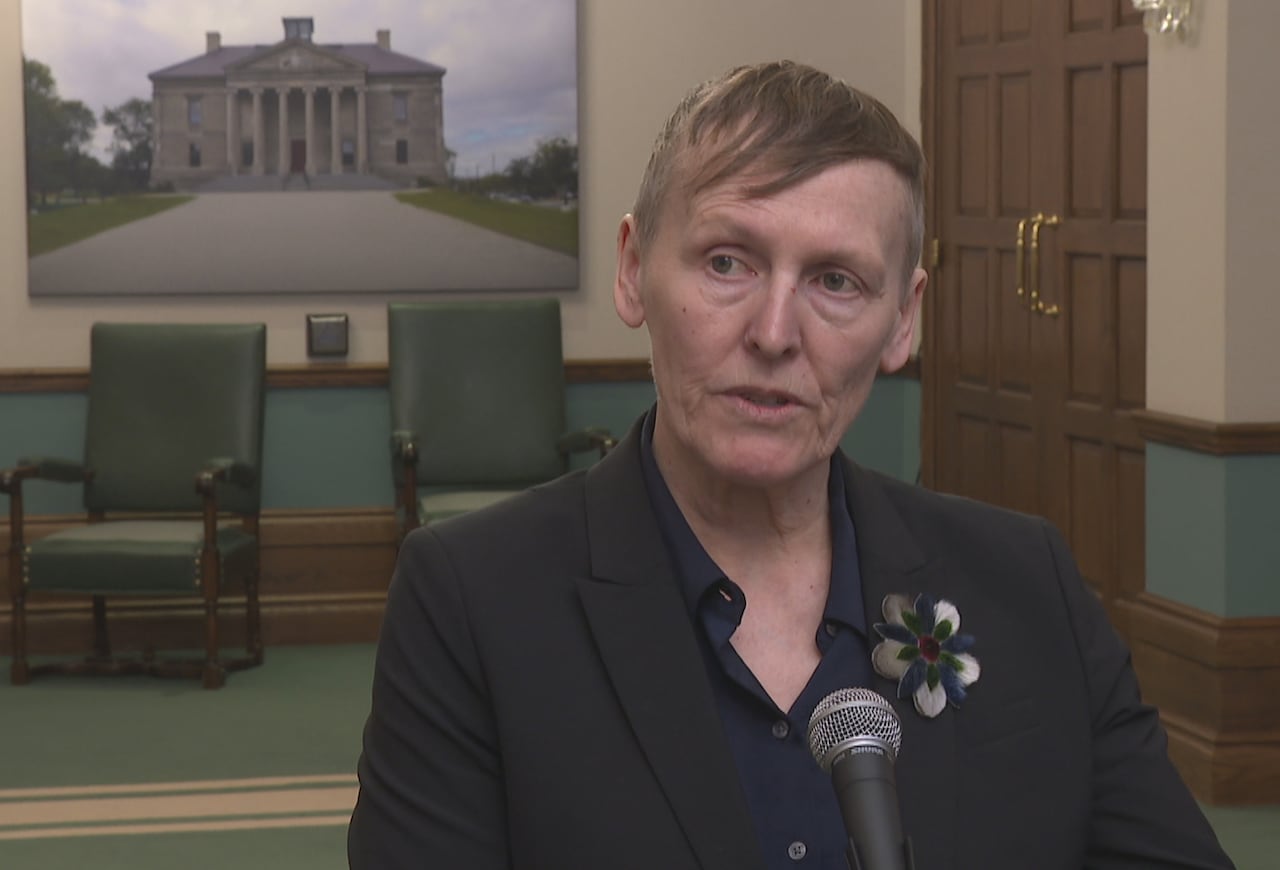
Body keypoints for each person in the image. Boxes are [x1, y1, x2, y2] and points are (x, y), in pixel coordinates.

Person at [348, 61, 1234, 869]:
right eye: (727, 262)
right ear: (631, 271)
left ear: (902, 322)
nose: (774, 334)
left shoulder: (1025, 583)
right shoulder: (472, 600)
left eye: (836, 281)